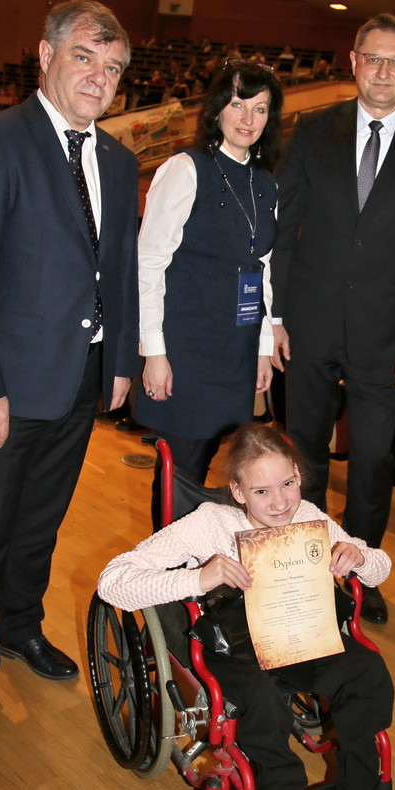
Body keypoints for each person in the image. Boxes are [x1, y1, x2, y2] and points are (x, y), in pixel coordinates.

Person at [97, 424, 395, 790]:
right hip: (235, 648)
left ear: (299, 477)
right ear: (237, 491)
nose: (280, 502)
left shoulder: (309, 517)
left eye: (288, 484)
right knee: (265, 707)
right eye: (262, 491)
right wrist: (196, 577)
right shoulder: (211, 523)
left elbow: (380, 568)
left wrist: (358, 556)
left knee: (367, 672)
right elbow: (112, 581)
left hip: (299, 634)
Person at [0, 0, 140, 747]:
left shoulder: (118, 160)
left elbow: (118, 270)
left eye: (112, 68)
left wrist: (119, 361)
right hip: (6, 386)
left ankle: (20, 625)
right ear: (46, 54)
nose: (98, 77)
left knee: (40, 524)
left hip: (80, 378)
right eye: (85, 57)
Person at [271, 13, 395, 625]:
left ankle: (359, 572)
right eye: (373, 58)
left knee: (374, 459)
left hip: (388, 333)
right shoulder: (312, 129)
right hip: (309, 319)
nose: (384, 71)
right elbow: (283, 228)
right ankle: (301, 564)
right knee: (302, 451)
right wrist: (276, 315)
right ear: (353, 62)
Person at [133, 61, 282, 491]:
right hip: (185, 349)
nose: (247, 118)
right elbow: (148, 263)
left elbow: (263, 271)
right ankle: (171, 540)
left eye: (259, 109)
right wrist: (154, 352)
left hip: (236, 351)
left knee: (220, 471)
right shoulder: (185, 168)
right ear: (217, 108)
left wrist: (263, 348)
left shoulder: (266, 183)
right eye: (237, 104)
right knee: (181, 473)